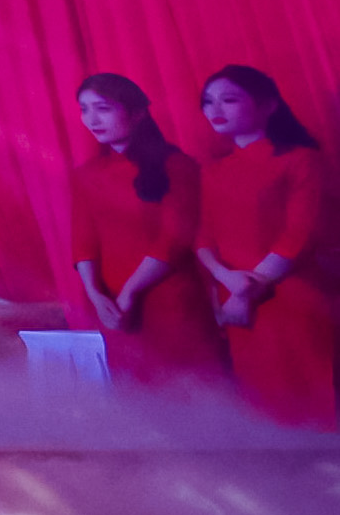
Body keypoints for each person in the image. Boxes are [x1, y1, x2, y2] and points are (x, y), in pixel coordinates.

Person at [195, 65, 335, 431]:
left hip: (290, 295)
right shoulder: (213, 171)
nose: (215, 110)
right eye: (208, 102)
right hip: (237, 301)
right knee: (260, 409)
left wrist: (246, 289)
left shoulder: (300, 159)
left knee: (309, 405)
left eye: (229, 100)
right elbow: (204, 238)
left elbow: (299, 235)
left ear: (268, 105)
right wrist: (228, 282)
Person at [67, 72, 222, 391]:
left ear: (137, 113)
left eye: (103, 108)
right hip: (111, 306)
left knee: (189, 390)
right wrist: (96, 295)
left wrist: (130, 292)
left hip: (169, 298)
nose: (92, 119)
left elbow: (174, 238)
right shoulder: (87, 175)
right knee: (134, 395)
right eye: (84, 109)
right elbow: (84, 241)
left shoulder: (176, 166)